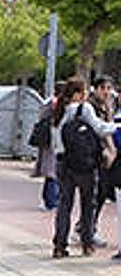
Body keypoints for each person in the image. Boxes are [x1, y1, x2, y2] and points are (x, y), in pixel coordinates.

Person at [52, 76, 116, 258]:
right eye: (84, 91)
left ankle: (59, 245)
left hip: (63, 162)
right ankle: (87, 244)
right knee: (88, 204)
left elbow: (55, 139)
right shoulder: (84, 108)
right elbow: (100, 128)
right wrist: (117, 126)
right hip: (84, 164)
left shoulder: (58, 109)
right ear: (78, 94)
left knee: (64, 205)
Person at [88, 74, 116, 245]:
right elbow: (101, 130)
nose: (106, 92)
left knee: (102, 192)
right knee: (96, 193)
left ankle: (88, 227)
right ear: (96, 89)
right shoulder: (90, 107)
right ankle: (87, 229)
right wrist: (109, 149)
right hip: (95, 154)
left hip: (105, 155)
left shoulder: (107, 106)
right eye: (103, 88)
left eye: (108, 88)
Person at [32, 81, 63, 212]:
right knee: (52, 172)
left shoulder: (48, 101)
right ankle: (51, 202)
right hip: (52, 140)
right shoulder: (55, 103)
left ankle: (47, 200)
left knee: (50, 172)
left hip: (46, 140)